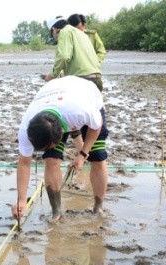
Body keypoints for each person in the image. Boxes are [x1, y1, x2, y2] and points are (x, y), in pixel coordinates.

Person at [12, 75, 109, 220]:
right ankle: (56, 213)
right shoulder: (27, 129)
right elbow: (24, 163)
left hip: (84, 92)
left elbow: (96, 126)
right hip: (52, 96)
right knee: (51, 159)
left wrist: (82, 155)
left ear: (61, 133)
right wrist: (21, 200)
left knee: (98, 156)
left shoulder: (80, 111)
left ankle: (98, 207)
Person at [44, 16, 103, 92]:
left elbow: (64, 57)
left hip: (82, 79)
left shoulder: (64, 32)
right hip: (97, 78)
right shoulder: (82, 33)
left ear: (54, 29)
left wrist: (52, 75)